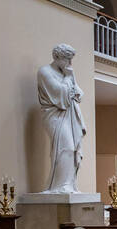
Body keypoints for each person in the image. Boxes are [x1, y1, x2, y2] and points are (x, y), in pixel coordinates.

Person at [37, 44, 87, 193]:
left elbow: (78, 94)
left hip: (69, 113)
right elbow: (60, 96)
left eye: (71, 60)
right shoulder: (45, 72)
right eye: (67, 59)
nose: (70, 64)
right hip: (54, 115)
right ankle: (59, 185)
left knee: (72, 149)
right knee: (64, 147)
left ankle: (68, 184)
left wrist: (71, 77)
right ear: (57, 57)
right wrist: (68, 77)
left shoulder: (66, 72)